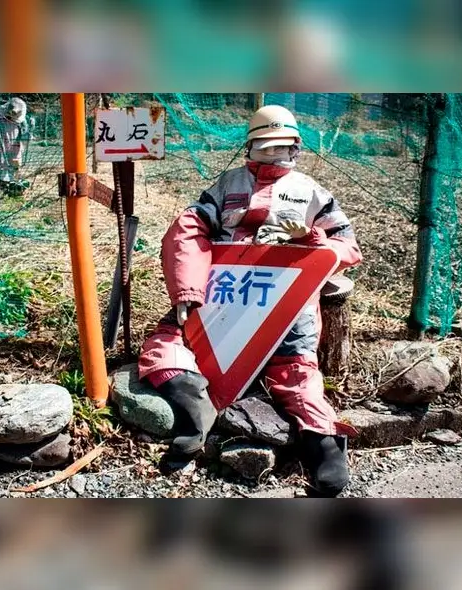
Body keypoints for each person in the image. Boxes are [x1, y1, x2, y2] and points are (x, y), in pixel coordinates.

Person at [137, 105, 363, 496]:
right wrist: (189, 292)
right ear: (250, 146)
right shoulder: (228, 185)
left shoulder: (312, 193)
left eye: (283, 149)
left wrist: (311, 242)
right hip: (223, 292)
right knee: (170, 343)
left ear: (296, 148)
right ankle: (195, 410)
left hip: (287, 302)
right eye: (265, 147)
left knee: (295, 370)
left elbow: (347, 247)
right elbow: (188, 229)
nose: (275, 157)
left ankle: (324, 446)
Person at [0, 97, 29, 194]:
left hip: (15, 139)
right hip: (2, 138)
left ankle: (12, 180)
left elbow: (25, 130)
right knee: (1, 158)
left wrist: (25, 134)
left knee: (14, 158)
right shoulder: (0, 119)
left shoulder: (19, 122)